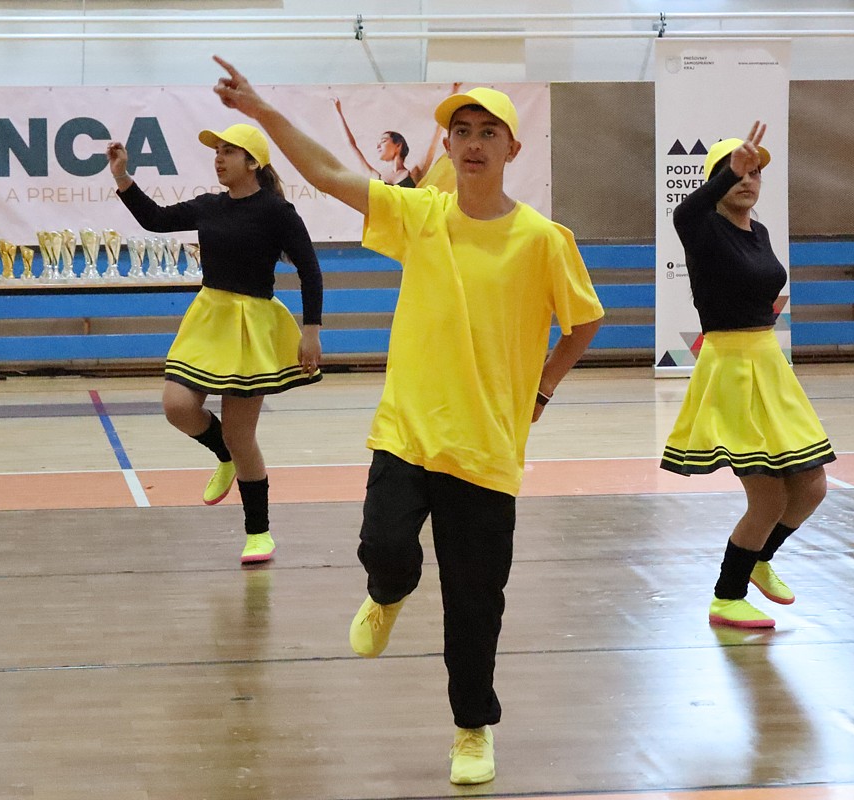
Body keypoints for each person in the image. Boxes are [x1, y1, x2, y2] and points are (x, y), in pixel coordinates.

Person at [211, 56, 603, 785]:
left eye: (489, 131)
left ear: (512, 148)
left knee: (475, 605)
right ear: (447, 146)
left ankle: (472, 730)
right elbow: (329, 173)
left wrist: (543, 390)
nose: (474, 143)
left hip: (486, 449)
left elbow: (583, 323)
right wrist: (262, 112)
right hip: (408, 430)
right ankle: (387, 593)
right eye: (463, 131)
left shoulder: (544, 239)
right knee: (385, 546)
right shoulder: (420, 216)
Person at [106, 123, 323, 564]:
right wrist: (122, 176)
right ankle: (222, 453)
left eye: (228, 151)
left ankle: (259, 532)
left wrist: (311, 330)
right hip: (209, 320)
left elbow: (310, 270)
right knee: (177, 406)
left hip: (252, 326)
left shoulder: (277, 212)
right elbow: (155, 218)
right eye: (217, 152)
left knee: (242, 435)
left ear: (253, 162)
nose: (219, 159)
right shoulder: (209, 206)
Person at [660, 122, 834, 630]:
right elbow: (684, 211)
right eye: (736, 172)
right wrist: (726, 172)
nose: (747, 180)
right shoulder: (701, 227)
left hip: (769, 365)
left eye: (755, 173)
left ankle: (759, 559)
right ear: (717, 179)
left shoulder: (758, 232)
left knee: (813, 486)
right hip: (731, 369)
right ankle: (726, 596)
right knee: (769, 495)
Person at [330, 83, 459, 188]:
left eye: (383, 141)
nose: (378, 146)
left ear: (398, 145)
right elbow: (351, 145)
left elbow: (434, 137)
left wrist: (453, 93)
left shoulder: (414, 173)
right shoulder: (376, 176)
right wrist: (338, 112)